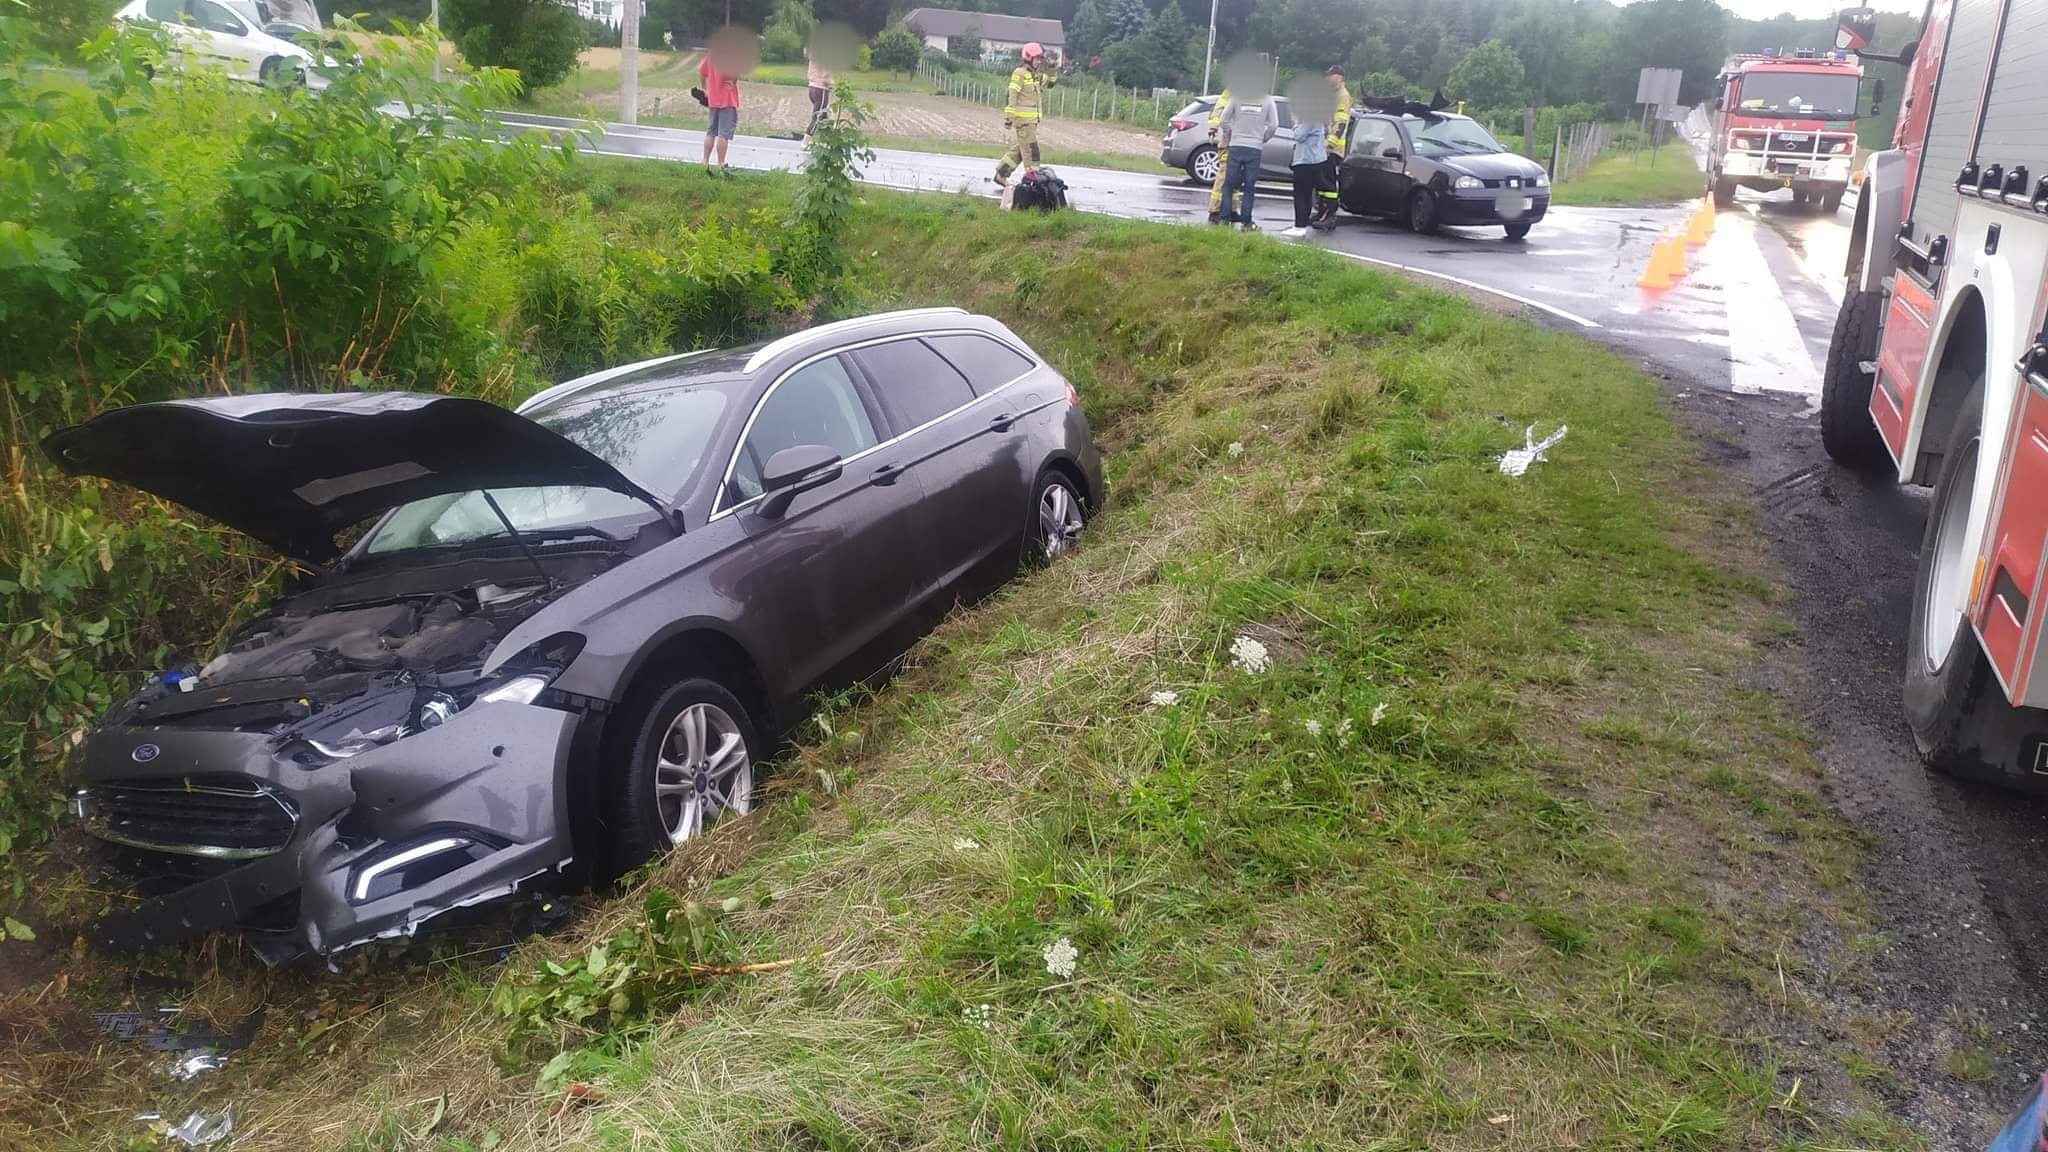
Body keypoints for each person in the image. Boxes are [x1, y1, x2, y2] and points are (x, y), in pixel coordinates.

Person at [994, 42, 1057, 187]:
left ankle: (1000, 175)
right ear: (1028, 58)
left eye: (1040, 58)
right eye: (1037, 58)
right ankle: (1032, 181)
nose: (1039, 61)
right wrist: (1009, 117)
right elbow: (1012, 94)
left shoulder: (1035, 76)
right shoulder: (1019, 73)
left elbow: (1051, 84)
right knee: (1031, 151)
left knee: (1019, 150)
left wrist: (1052, 68)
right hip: (1023, 121)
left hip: (1032, 121)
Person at [1216, 90, 1277, 232]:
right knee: (1249, 186)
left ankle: (1224, 219)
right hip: (1254, 148)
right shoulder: (1268, 100)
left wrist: (1231, 135)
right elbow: (1274, 125)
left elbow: (1223, 120)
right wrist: (1263, 138)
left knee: (1229, 185)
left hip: (1236, 145)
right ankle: (1246, 222)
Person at [1284, 105, 1330, 238]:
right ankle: (1302, 224)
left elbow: (1298, 135)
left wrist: (1295, 123)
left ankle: (1299, 225)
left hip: (1305, 161)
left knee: (1300, 194)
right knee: (1307, 193)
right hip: (1315, 161)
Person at [1314, 66, 1351, 228]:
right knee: (1321, 182)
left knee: (1328, 184)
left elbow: (1341, 123)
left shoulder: (1342, 96)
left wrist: (1330, 144)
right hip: (1324, 146)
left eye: (1330, 76)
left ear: (1339, 78)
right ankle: (1322, 213)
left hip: (1332, 148)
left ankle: (1330, 216)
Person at [698, 51, 741, 175]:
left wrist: (704, 88)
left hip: (713, 99)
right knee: (723, 134)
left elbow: (701, 71)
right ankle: (721, 163)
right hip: (727, 99)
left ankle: (705, 161)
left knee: (710, 132)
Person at [1205, 87, 1231, 225]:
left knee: (1236, 179)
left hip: (1240, 141)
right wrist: (1213, 128)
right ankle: (1214, 210)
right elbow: (1218, 110)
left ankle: (1231, 210)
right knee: (1223, 174)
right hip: (1228, 140)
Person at [802, 47, 832, 147]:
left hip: (812, 88)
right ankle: (805, 143)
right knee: (818, 117)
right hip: (821, 89)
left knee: (824, 117)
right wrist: (833, 84)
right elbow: (826, 76)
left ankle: (828, 142)